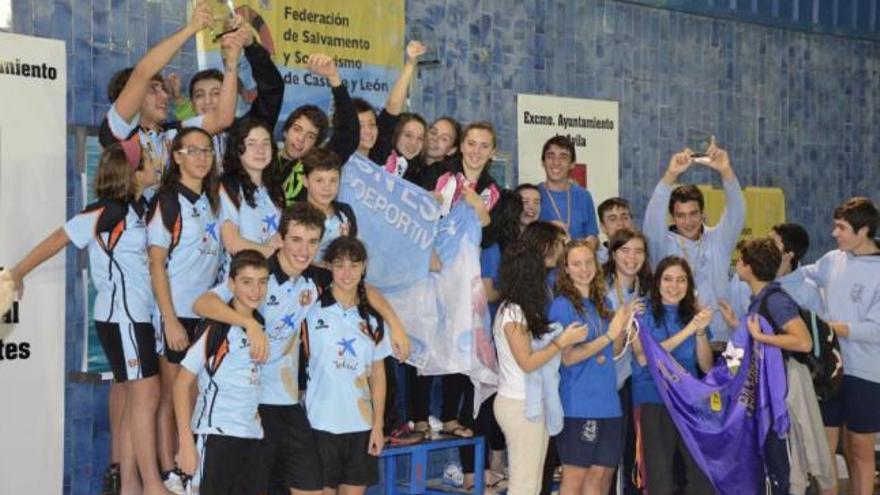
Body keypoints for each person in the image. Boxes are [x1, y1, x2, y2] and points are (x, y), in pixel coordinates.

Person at [192, 202, 409, 495]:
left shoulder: (315, 278)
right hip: (251, 406)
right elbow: (202, 304)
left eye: (311, 242)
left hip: (290, 404)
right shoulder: (259, 274)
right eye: (295, 239)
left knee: (312, 488)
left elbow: (360, 287)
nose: (303, 250)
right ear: (280, 238)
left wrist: (395, 324)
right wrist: (250, 323)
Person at [9, 142, 167, 495]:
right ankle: (153, 486)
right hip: (123, 319)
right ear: (134, 172)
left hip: (135, 318)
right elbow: (58, 237)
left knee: (133, 399)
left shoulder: (136, 207)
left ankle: (130, 486)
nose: (157, 162)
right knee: (146, 396)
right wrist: (18, 272)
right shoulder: (107, 211)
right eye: (150, 159)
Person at [147, 127, 222, 492]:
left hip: (203, 312)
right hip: (175, 313)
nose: (201, 157)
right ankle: (169, 473)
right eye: (193, 151)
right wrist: (169, 318)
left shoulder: (208, 200)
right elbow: (156, 264)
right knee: (171, 393)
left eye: (207, 150)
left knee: (192, 392)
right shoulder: (167, 202)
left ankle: (187, 463)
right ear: (176, 157)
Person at [791, 197, 880, 495]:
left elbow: (874, 330)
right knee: (824, 452)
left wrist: (827, 328)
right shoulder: (832, 259)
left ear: (864, 230)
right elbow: (801, 275)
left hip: (866, 373)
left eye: (841, 228)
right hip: (829, 370)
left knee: (859, 452)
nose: (834, 233)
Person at [736, 238, 836, 495]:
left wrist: (761, 338)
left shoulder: (775, 300)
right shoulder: (761, 298)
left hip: (787, 392)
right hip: (773, 390)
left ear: (748, 267)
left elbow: (802, 341)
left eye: (739, 260)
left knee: (793, 464)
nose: (736, 264)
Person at [493, 238, 587, 495]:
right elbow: (527, 362)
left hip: (530, 402)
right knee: (523, 486)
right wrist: (562, 342)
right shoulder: (512, 312)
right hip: (519, 403)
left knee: (533, 485)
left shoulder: (523, 310)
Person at [173, 250, 270, 495]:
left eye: (262, 281)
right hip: (215, 435)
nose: (255, 290)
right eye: (247, 282)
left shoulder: (260, 325)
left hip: (251, 436)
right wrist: (186, 442)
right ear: (231, 284)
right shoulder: (216, 327)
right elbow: (181, 385)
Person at [99, 0, 239, 168]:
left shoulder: (173, 134)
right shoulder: (120, 130)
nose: (165, 95)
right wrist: (191, 28)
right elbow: (143, 73)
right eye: (153, 89)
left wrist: (231, 61)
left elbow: (222, 119)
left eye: (163, 89)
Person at [549, 240, 639, 495]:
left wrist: (623, 324)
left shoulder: (604, 304)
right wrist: (608, 336)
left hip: (609, 405)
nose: (584, 269)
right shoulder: (562, 305)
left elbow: (612, 351)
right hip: (579, 405)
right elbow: (567, 358)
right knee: (575, 481)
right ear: (565, 268)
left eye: (589, 262)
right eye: (576, 264)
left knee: (600, 481)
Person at [303, 237, 389, 495]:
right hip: (320, 425)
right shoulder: (310, 310)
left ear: (364, 267)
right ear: (328, 267)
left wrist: (377, 426)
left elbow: (378, 374)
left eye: (354, 265)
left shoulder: (372, 318)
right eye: (339, 265)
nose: (347, 272)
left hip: (361, 428)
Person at [643, 139, 744, 343]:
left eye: (693, 214)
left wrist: (726, 171)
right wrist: (670, 175)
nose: (688, 221)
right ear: (672, 217)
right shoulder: (663, 244)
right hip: (682, 343)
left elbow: (737, 211)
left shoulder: (718, 240)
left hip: (723, 340)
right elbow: (652, 219)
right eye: (680, 215)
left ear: (702, 214)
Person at [630, 256, 715, 495]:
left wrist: (699, 333)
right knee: (659, 480)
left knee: (702, 477)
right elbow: (645, 358)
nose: (674, 286)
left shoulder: (694, 315)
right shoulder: (641, 312)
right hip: (653, 400)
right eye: (667, 279)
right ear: (657, 282)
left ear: (689, 285)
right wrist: (688, 330)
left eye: (681, 280)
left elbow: (707, 367)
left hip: (689, 402)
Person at [602, 229, 651, 495]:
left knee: (637, 453)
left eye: (638, 251)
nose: (632, 257)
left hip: (640, 382)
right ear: (613, 253)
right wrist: (624, 319)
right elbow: (611, 349)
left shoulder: (648, 290)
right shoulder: (602, 290)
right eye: (625, 250)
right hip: (610, 383)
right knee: (609, 457)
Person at [278, 55, 359, 204]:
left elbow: (350, 133)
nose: (300, 139)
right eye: (297, 129)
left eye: (310, 136)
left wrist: (334, 78)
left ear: (316, 145)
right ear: (285, 131)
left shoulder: (315, 165)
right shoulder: (264, 157)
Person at [217, 117, 284, 280]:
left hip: (268, 279)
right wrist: (278, 256)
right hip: (237, 281)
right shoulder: (227, 186)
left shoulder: (275, 189)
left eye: (266, 143)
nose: (260, 150)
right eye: (251, 144)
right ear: (237, 148)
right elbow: (232, 243)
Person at [434, 122, 501, 226]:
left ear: (492, 152)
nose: (476, 151)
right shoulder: (436, 173)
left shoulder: (494, 192)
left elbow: (489, 238)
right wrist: (427, 203)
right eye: (471, 144)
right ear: (461, 146)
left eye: (484, 146)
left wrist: (480, 209)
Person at [537, 136, 599, 246]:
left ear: (572, 164)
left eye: (563, 157)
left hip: (576, 261)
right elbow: (522, 237)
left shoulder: (584, 196)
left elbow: (593, 237)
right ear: (543, 162)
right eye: (550, 156)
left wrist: (589, 243)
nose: (556, 162)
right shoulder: (533, 195)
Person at [300, 148, 358, 262]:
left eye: (333, 180)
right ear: (305, 180)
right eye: (319, 180)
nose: (327, 188)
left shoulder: (345, 212)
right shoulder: (296, 215)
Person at [596, 197, 634, 264]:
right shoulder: (596, 261)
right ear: (603, 227)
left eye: (625, 218)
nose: (620, 223)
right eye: (612, 219)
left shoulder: (640, 255)